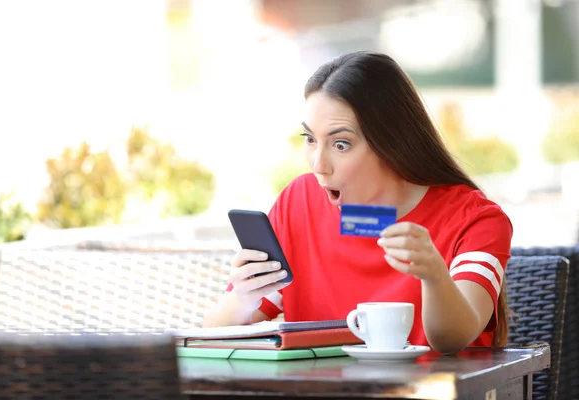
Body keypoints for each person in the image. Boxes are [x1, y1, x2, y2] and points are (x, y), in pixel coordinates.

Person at [202, 51, 513, 354]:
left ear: (392, 143)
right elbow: (213, 334)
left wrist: (434, 275)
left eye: (341, 144)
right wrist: (244, 298)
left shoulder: (475, 220)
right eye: (310, 139)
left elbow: (452, 339)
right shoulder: (299, 201)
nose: (318, 165)